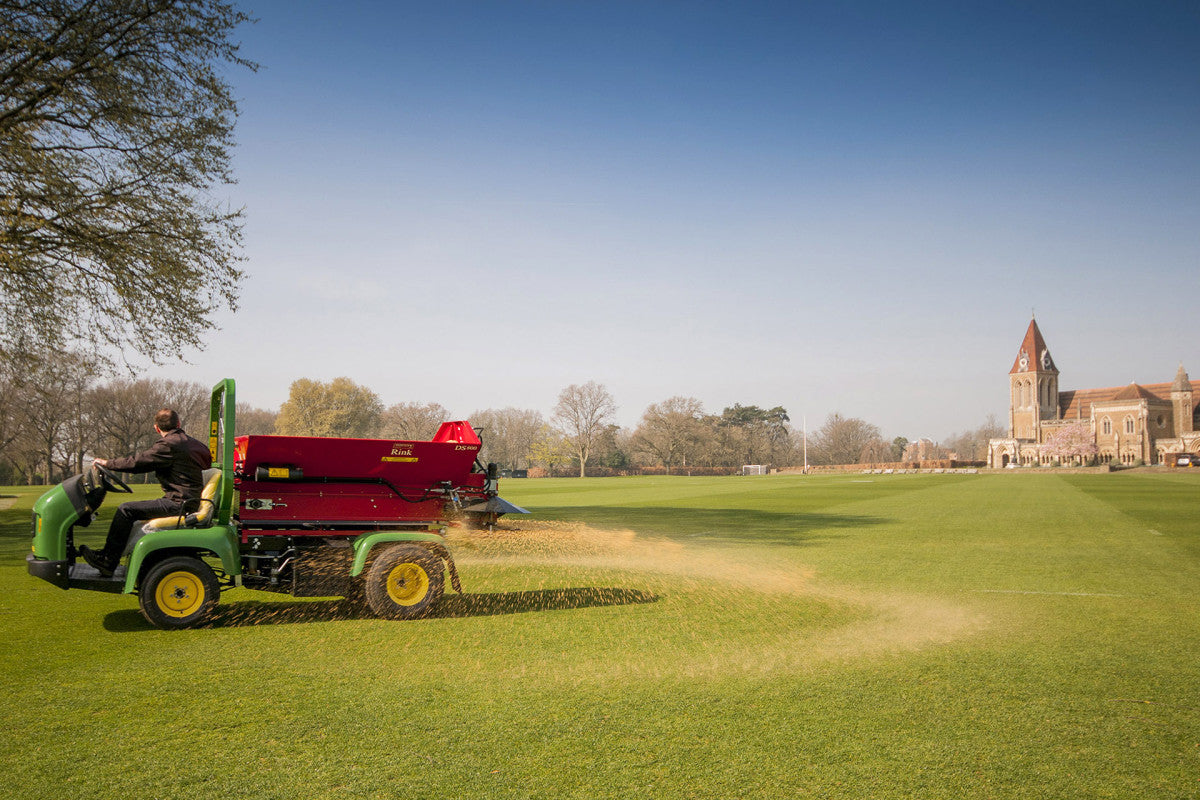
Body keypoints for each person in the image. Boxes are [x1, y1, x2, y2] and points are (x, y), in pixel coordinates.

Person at [79, 408, 212, 576]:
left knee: (125, 509)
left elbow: (137, 463)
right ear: (178, 424)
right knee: (131, 509)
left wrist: (107, 463)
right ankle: (112, 557)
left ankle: (107, 560)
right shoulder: (195, 444)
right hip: (187, 501)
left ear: (156, 428)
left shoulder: (168, 445)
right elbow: (206, 462)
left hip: (179, 503)